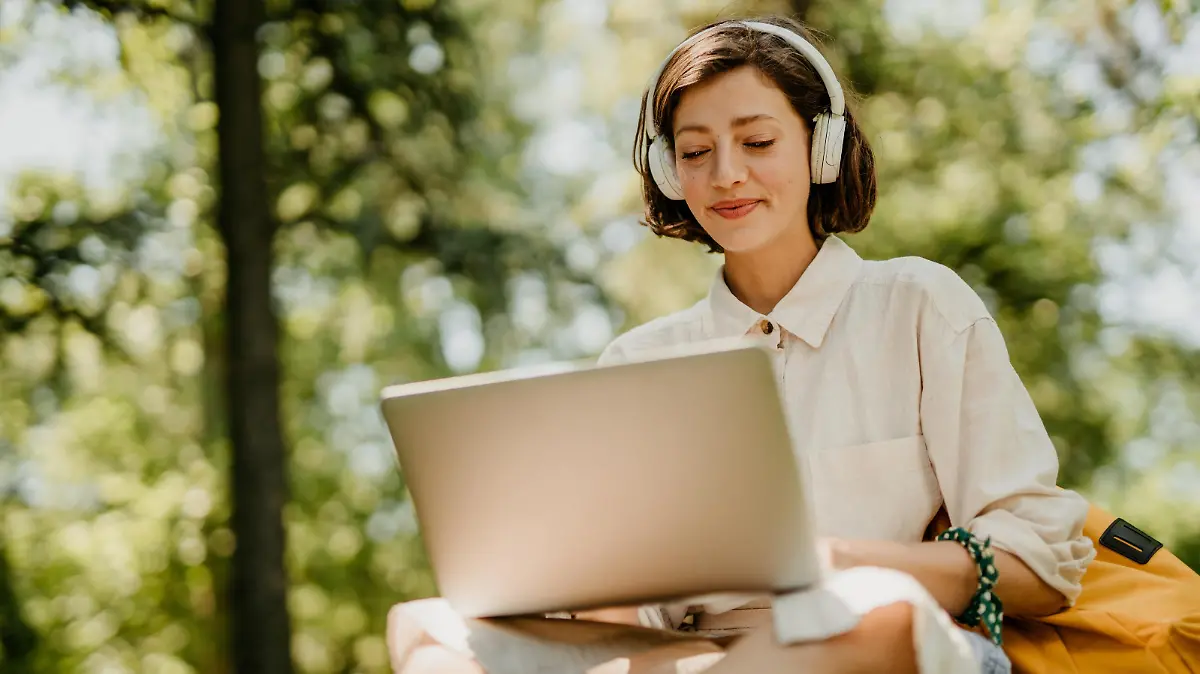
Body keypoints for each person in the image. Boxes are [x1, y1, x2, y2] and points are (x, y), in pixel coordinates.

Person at [387, 15, 1095, 674]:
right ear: (671, 172)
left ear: (821, 148)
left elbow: (1043, 563)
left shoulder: (918, 304)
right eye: (696, 152)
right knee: (424, 626)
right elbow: (625, 621)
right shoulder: (637, 363)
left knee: (877, 609)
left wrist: (848, 562)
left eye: (757, 142)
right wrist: (579, 588)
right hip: (693, 656)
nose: (725, 173)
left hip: (871, 638)